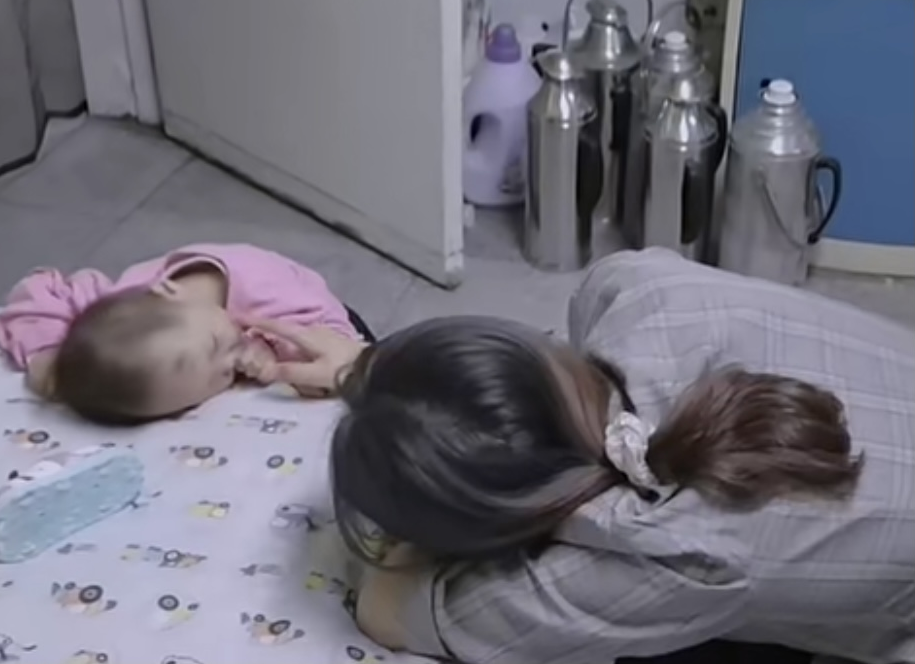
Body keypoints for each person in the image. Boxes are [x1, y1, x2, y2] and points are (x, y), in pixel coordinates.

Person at [253, 248, 915, 664]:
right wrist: (374, 370)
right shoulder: (634, 288)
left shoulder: (667, 554)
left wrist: (407, 529)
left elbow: (389, 611)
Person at [0, 243, 374, 425]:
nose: (235, 363)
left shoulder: (267, 289)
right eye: (222, 377)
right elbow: (38, 295)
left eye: (218, 346)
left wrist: (279, 355)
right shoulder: (133, 315)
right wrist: (59, 359)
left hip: (327, 320)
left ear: (167, 289)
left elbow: (335, 347)